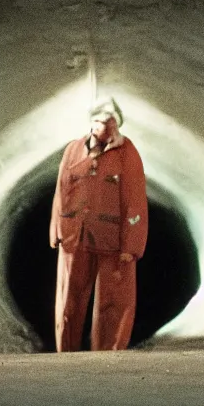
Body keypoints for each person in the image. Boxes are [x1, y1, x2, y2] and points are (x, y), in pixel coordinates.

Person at [49, 98, 148, 351]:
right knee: (69, 296)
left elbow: (134, 200)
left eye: (108, 121)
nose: (102, 126)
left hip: (112, 239)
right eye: (98, 120)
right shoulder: (73, 149)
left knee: (114, 300)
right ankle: (67, 350)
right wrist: (56, 230)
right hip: (75, 235)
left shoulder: (127, 154)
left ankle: (108, 352)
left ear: (117, 125)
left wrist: (131, 245)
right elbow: (62, 189)